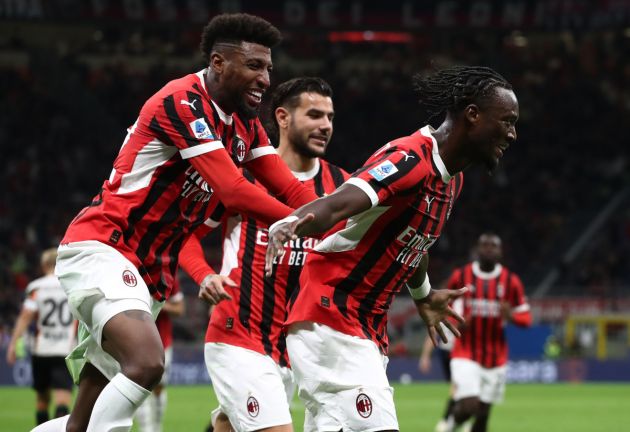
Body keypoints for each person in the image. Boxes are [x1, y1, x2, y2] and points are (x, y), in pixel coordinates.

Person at [33, 13, 320, 432]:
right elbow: (234, 191)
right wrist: (307, 222)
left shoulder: (244, 123)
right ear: (219, 63)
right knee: (147, 363)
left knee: (84, 419)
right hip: (106, 247)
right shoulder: (182, 101)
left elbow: (291, 189)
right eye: (255, 66)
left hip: (149, 272)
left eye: (269, 69)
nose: (265, 79)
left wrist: (341, 224)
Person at [265, 66, 520, 432]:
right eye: (507, 121)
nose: (512, 134)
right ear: (473, 116)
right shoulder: (410, 159)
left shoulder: (452, 181)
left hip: (360, 331)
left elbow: (414, 244)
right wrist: (293, 222)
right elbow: (340, 202)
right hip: (333, 318)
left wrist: (424, 295)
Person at [179, 76, 348, 432]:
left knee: (230, 424)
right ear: (283, 118)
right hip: (238, 332)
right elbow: (185, 237)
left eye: (330, 117)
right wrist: (204, 275)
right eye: (314, 115)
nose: (325, 126)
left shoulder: (342, 189)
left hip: (295, 348)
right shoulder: (240, 180)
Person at [445, 233, 531, 432]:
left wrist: (510, 316)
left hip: (496, 358)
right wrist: (457, 323)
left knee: (483, 415)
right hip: (465, 352)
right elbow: (444, 307)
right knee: (470, 405)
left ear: (500, 252)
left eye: (493, 246)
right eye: (485, 245)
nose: (489, 249)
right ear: (477, 249)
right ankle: (450, 425)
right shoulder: (461, 275)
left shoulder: (511, 281)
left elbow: (526, 319)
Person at [6, 248, 76, 426]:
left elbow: (25, 317)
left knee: (42, 400)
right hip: (65, 351)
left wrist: (13, 344)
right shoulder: (73, 285)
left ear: (44, 264)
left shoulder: (36, 287)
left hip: (42, 350)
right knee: (63, 400)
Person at [134, 284, 185, 432]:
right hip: (136, 340)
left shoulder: (166, 272)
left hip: (162, 342)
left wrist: (158, 304)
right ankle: (146, 429)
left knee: (158, 387)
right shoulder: (131, 270)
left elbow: (179, 309)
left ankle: (157, 427)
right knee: (139, 385)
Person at [419, 324, 456, 432]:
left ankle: (447, 420)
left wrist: (425, 356)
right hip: (448, 352)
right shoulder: (441, 309)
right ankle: (450, 420)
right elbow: (432, 331)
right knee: (456, 388)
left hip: (460, 352)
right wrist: (425, 356)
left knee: (457, 387)